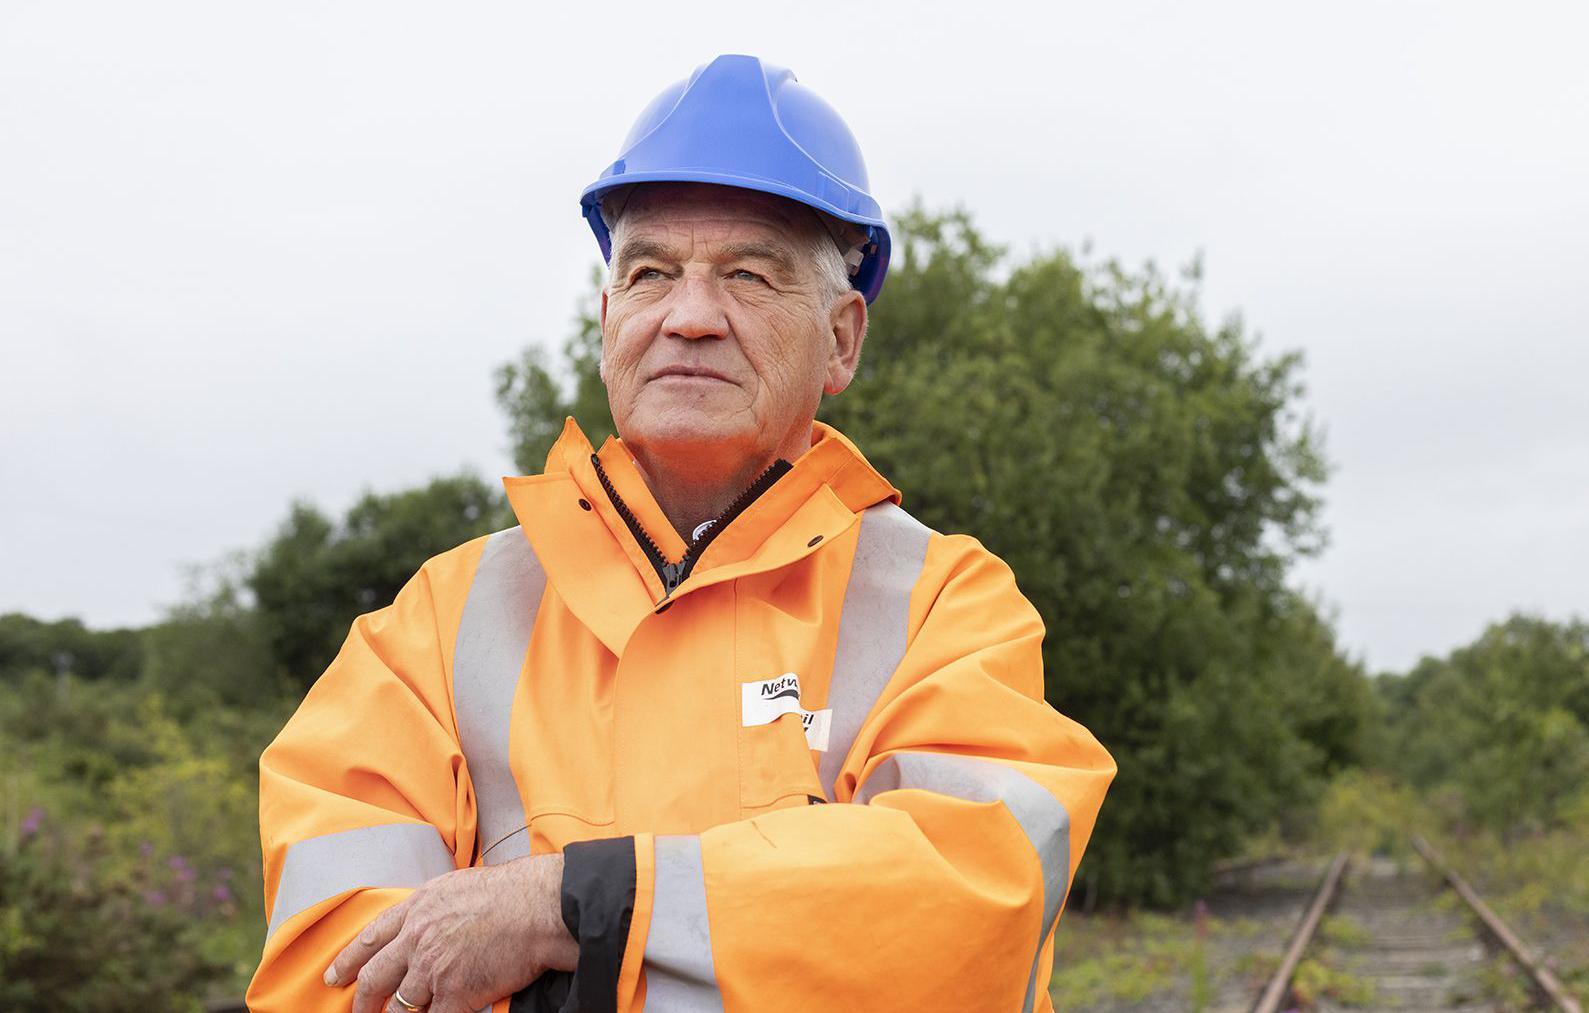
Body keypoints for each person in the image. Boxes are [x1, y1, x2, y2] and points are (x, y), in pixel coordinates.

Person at [248, 54, 1113, 1013]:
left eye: (749, 275)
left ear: (842, 339)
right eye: (651, 271)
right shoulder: (435, 626)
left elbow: (970, 911)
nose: (691, 317)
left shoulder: (947, 605)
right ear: (608, 315)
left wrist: (573, 910)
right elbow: (329, 971)